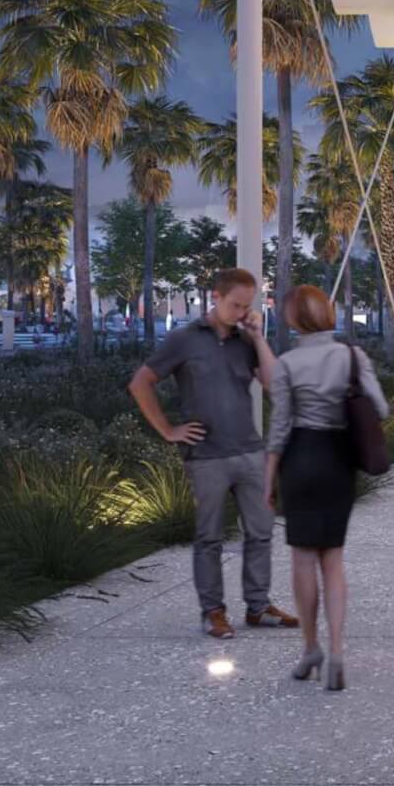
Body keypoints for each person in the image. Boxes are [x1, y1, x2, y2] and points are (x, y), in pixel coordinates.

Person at [128, 267, 298, 639]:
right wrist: (169, 430)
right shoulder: (183, 339)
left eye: (247, 306)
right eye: (235, 305)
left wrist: (258, 337)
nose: (241, 312)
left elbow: (272, 385)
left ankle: (258, 606)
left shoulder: (245, 340)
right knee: (209, 538)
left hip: (250, 451)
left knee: (261, 532)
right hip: (206, 455)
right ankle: (213, 612)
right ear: (215, 298)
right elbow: (141, 382)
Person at [266, 284, 386, 691]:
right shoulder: (352, 357)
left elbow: (279, 429)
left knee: (302, 558)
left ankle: (310, 647)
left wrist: (268, 482)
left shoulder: (286, 364)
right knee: (332, 559)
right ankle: (336, 652)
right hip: (338, 461)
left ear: (295, 318)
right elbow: (380, 408)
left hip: (299, 458)